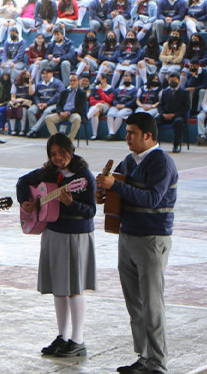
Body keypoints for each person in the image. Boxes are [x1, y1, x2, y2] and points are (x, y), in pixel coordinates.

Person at [95, 112, 177, 374]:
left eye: (132, 133)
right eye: (127, 132)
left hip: (151, 238)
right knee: (135, 303)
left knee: (152, 303)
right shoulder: (129, 161)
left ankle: (157, 361)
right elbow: (117, 190)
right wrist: (103, 192)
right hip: (128, 235)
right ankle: (143, 356)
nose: (127, 137)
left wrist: (114, 187)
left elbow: (152, 198)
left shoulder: (160, 162)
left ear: (148, 135)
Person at [17, 133, 97, 358]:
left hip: (76, 235)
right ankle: (62, 336)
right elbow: (23, 181)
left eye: (62, 153)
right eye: (53, 154)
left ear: (71, 151)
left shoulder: (84, 176)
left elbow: (90, 210)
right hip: (53, 232)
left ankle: (78, 339)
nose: (58, 158)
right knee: (59, 289)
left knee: (74, 288)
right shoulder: (48, 172)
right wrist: (26, 200)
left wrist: (71, 203)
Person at [44, 74, 87, 140]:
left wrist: (69, 112)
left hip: (73, 113)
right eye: (71, 80)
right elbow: (58, 105)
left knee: (77, 119)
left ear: (79, 81)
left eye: (74, 80)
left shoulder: (82, 93)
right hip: (62, 113)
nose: (72, 82)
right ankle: (57, 139)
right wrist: (60, 112)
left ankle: (69, 140)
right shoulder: (64, 92)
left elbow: (81, 108)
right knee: (48, 118)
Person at [156, 73, 191, 153]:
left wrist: (174, 115)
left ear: (179, 80)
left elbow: (186, 107)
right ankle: (155, 145)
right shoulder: (165, 91)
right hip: (166, 115)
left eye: (174, 80)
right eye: (170, 80)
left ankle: (176, 145)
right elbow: (160, 105)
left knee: (178, 122)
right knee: (155, 121)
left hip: (178, 116)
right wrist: (163, 114)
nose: (172, 82)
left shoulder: (184, 92)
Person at [26, 67, 65, 138]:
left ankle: (33, 130)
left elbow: (58, 96)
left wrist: (47, 104)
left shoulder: (58, 83)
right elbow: (35, 96)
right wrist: (38, 103)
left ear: (52, 73)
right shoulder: (39, 84)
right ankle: (35, 133)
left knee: (47, 112)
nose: (45, 75)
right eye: (43, 73)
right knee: (30, 110)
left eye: (47, 73)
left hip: (53, 104)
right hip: (40, 104)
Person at [86, 74, 113, 140]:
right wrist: (101, 102)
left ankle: (86, 118)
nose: (97, 80)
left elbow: (109, 100)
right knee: (96, 112)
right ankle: (94, 135)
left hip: (106, 108)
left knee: (99, 106)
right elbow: (91, 101)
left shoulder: (110, 88)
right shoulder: (95, 89)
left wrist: (101, 91)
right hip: (96, 106)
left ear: (104, 79)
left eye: (99, 79)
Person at [8, 70, 34, 135]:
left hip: (27, 102)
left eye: (28, 75)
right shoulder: (16, 84)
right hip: (17, 101)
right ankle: (13, 129)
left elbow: (31, 94)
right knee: (10, 108)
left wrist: (30, 83)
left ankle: (23, 130)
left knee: (23, 109)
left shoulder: (32, 84)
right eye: (26, 75)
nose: (27, 77)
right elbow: (13, 96)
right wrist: (15, 100)